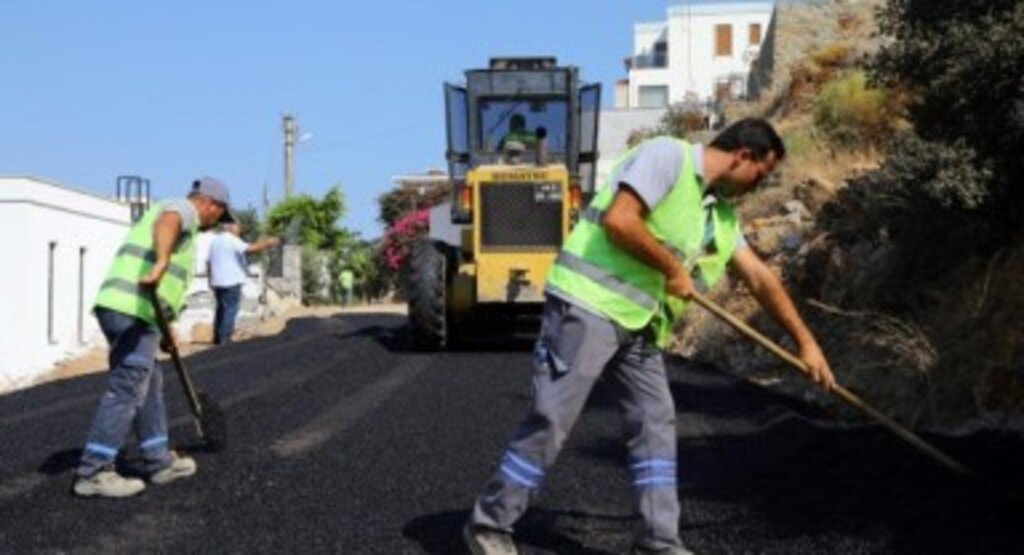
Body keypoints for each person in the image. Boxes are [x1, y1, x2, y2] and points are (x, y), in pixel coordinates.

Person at [463, 118, 836, 555]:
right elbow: (620, 221)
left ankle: (658, 542)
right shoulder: (667, 157)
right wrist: (672, 269)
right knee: (553, 418)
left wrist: (806, 343)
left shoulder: (718, 214)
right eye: (762, 173)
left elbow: (758, 277)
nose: (760, 183)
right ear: (743, 156)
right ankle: (489, 524)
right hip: (588, 305)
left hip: (639, 324)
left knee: (656, 424)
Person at [73, 177, 235, 498]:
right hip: (131, 308)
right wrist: (162, 261)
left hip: (133, 310)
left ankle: (158, 461)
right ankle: (93, 470)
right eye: (218, 216)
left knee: (149, 383)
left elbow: (165, 284)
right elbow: (168, 222)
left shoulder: (181, 226)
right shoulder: (182, 211)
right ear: (210, 204)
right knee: (129, 384)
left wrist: (166, 330)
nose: (214, 223)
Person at [207, 223, 280, 345]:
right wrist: (268, 243)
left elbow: (208, 262)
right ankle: (225, 341)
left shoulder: (216, 240)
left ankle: (217, 338)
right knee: (230, 310)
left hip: (217, 281)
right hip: (231, 281)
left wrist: (211, 278)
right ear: (230, 227)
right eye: (238, 227)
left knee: (221, 309)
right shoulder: (231, 239)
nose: (240, 230)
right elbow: (250, 249)